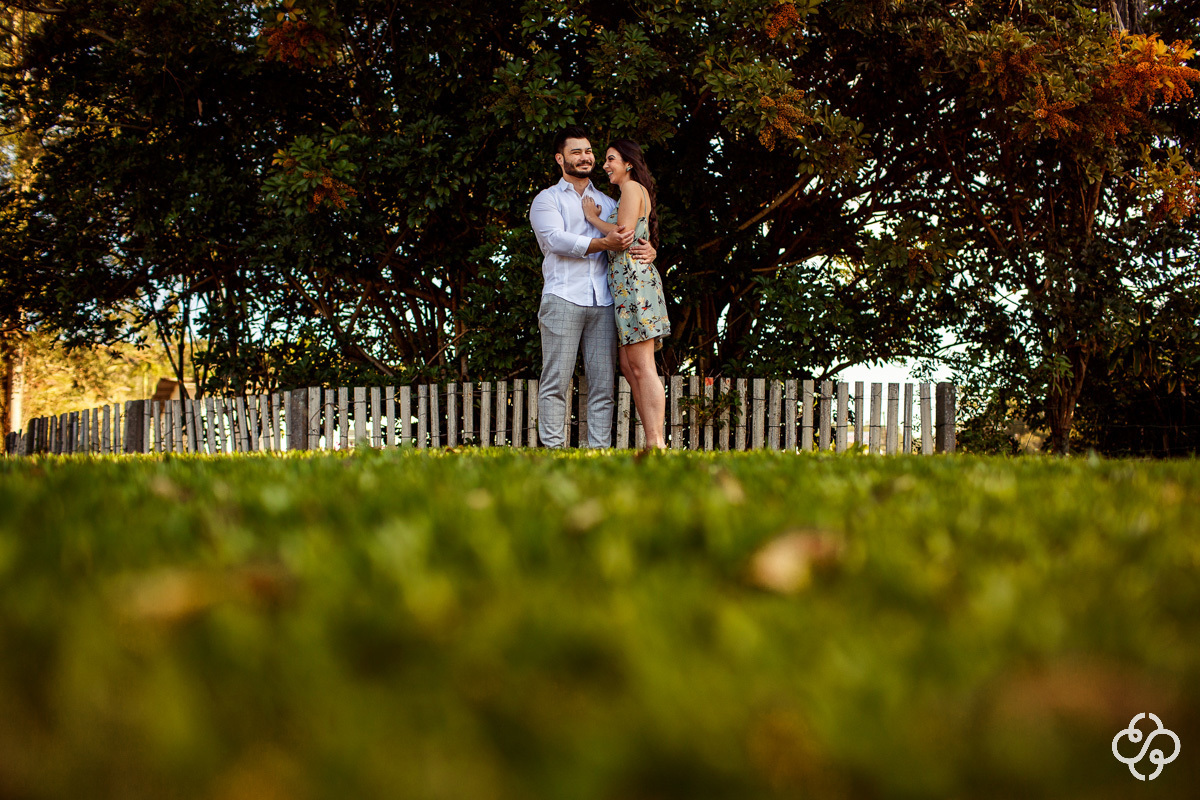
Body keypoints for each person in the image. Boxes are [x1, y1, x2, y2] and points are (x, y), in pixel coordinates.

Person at [529, 126, 656, 448]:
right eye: (576, 152)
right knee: (556, 380)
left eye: (588, 151)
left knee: (603, 385)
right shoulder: (547, 200)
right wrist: (603, 242)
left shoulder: (607, 200)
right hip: (562, 298)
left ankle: (598, 452)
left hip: (604, 302)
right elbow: (554, 240)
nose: (585, 157)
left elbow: (631, 234)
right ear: (560, 159)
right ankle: (554, 451)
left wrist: (649, 250)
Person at [582, 139, 670, 449]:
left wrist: (592, 218)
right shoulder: (630, 193)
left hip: (634, 286)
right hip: (625, 288)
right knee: (629, 365)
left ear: (628, 163)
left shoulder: (632, 189)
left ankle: (656, 442)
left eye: (611, 159)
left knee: (643, 365)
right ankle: (651, 440)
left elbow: (621, 237)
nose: (605, 165)